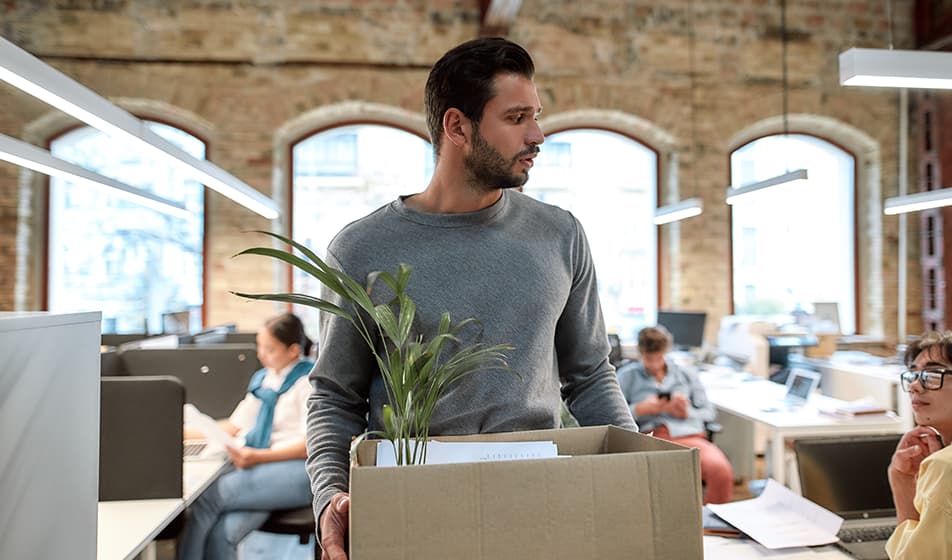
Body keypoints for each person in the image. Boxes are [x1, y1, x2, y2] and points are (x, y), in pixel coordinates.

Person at [306, 37, 637, 559]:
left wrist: (636, 472)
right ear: (457, 126)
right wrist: (330, 498)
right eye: (517, 117)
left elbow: (591, 375)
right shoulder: (362, 249)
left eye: (537, 115)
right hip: (412, 506)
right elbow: (334, 394)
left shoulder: (560, 235)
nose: (537, 134)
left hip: (540, 503)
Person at [179, 312, 315, 560]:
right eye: (260, 346)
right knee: (223, 532)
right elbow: (233, 426)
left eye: (269, 349)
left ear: (294, 350)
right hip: (260, 469)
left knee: (207, 499)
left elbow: (310, 445)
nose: (261, 354)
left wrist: (258, 458)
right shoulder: (264, 379)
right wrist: (180, 434)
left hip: (296, 470)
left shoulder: (308, 382)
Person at [616, 326, 733, 504]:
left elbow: (709, 413)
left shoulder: (686, 375)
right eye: (649, 359)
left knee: (720, 470)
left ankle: (713, 528)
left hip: (688, 437)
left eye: (659, 358)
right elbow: (614, 417)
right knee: (656, 483)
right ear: (640, 353)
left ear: (666, 352)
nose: (655, 365)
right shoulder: (626, 377)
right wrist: (641, 409)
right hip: (651, 439)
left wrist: (687, 412)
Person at [886, 330, 952, 559]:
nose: (914, 386)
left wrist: (902, 484)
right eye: (913, 374)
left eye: (933, 374)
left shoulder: (944, 466)